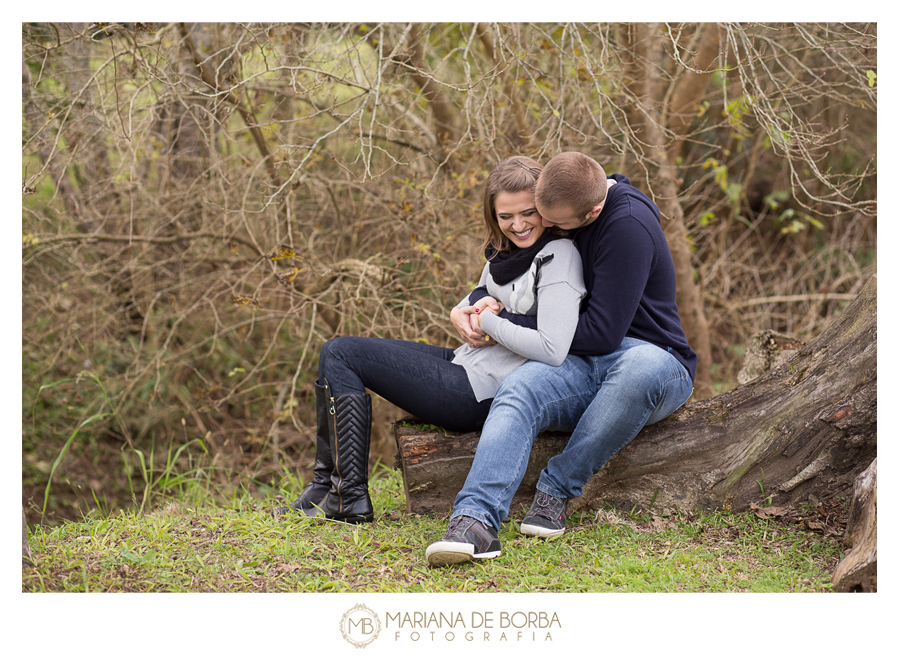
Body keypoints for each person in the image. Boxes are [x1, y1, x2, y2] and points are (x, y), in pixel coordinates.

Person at [275, 156, 586, 526]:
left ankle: (349, 496)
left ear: (546, 209)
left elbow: (553, 348)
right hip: (466, 362)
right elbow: (480, 292)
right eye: (505, 217)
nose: (517, 225)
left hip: (483, 393)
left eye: (528, 213)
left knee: (344, 354)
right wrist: (461, 312)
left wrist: (487, 319)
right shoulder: (505, 252)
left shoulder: (558, 256)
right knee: (334, 351)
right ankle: (326, 485)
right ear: (494, 216)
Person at [425, 152, 696, 567]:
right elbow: (511, 275)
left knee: (640, 369)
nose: (547, 228)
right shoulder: (573, 194)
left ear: (593, 210)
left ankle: (556, 488)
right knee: (519, 389)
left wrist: (500, 323)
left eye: (557, 223)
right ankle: (474, 521)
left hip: (655, 358)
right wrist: (473, 303)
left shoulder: (627, 228)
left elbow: (601, 334)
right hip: (585, 359)